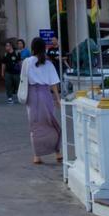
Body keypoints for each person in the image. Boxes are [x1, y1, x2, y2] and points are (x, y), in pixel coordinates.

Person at [20, 36, 62, 165]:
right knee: (51, 122)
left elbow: (23, 79)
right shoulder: (48, 63)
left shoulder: (27, 62)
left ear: (32, 48)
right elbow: (54, 84)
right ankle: (57, 152)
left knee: (35, 125)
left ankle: (37, 156)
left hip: (32, 95)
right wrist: (58, 99)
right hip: (45, 94)